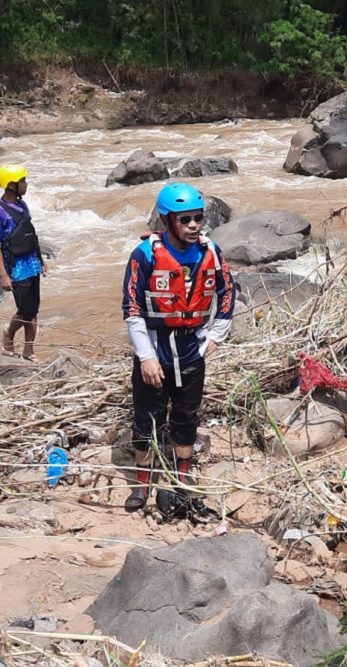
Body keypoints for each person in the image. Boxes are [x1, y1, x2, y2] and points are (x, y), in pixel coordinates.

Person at [121, 182, 236, 511]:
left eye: (197, 219)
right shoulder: (144, 255)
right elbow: (132, 309)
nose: (193, 226)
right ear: (168, 221)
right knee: (147, 419)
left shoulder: (210, 252)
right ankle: (143, 481)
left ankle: (182, 475)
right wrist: (145, 357)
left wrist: (216, 335)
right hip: (155, 349)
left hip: (190, 349)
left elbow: (227, 293)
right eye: (184, 220)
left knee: (186, 417)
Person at [0, 164, 47, 362]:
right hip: (16, 267)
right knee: (25, 311)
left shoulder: (22, 206)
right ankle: (8, 333)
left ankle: (29, 350)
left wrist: (41, 260)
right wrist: (3, 274)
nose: (26, 185)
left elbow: (30, 234)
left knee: (34, 309)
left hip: (31, 262)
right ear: (11, 185)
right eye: (22, 181)